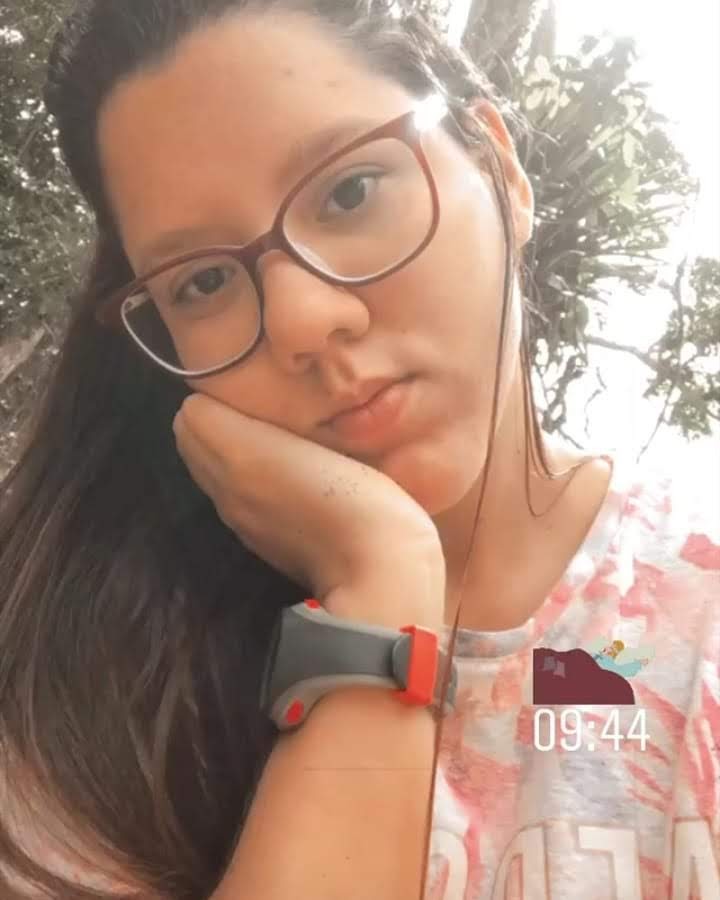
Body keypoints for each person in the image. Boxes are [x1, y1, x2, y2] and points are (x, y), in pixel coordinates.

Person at [0, 1, 717, 898]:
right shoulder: (78, 687)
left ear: (502, 171)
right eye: (204, 281)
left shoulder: (696, 614)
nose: (304, 320)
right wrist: (380, 586)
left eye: (348, 192)